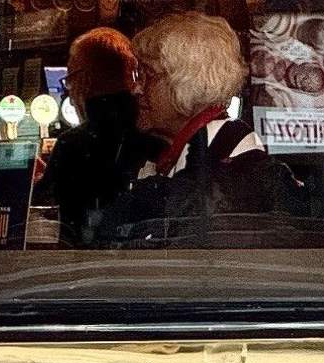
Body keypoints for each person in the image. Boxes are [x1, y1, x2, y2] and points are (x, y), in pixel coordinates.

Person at [97, 12, 305, 248]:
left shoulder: (228, 177)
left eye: (147, 75)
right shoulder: (204, 157)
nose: (136, 89)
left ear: (187, 82)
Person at [35, 27, 156, 248]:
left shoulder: (73, 145)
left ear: (85, 80)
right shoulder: (154, 129)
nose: (69, 94)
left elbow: (44, 214)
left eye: (69, 80)